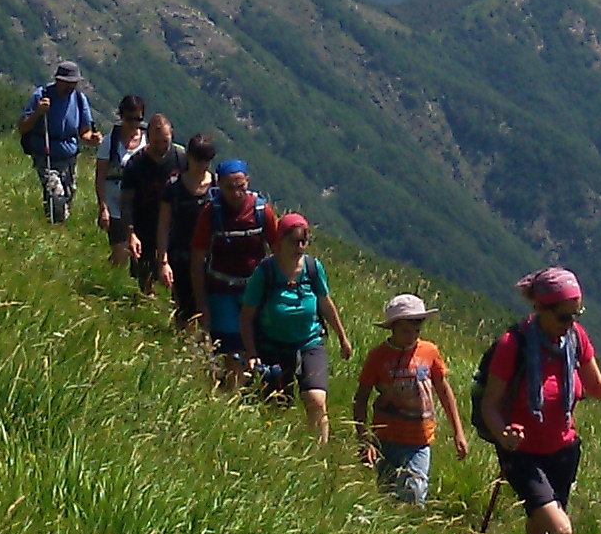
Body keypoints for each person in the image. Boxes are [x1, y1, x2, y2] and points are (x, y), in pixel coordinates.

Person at [477, 267, 601, 534]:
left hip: (563, 452)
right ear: (540, 307)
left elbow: (595, 387)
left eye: (576, 314)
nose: (570, 322)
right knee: (561, 530)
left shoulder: (575, 338)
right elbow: (490, 406)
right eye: (564, 316)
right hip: (521, 453)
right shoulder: (513, 344)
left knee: (540, 533)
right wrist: (503, 435)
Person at [241, 214, 352, 441]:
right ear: (280, 240)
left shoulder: (312, 268)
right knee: (275, 404)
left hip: (309, 342)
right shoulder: (265, 272)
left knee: (316, 399)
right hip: (272, 346)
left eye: (304, 241)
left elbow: (325, 302)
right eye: (294, 241)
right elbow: (246, 316)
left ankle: (318, 453)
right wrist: (252, 353)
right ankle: (274, 449)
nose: (300, 247)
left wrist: (343, 338)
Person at [354, 293, 468, 507]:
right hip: (385, 437)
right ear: (393, 328)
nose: (412, 336)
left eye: (417, 330)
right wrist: (364, 438)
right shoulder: (378, 357)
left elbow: (443, 388)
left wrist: (458, 432)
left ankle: (413, 522)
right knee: (387, 494)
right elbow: (361, 398)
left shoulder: (429, 351)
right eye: (406, 331)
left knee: (414, 493)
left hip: (419, 439)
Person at [192, 155, 273, 377]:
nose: (236, 193)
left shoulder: (261, 211)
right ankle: (234, 395)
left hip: (255, 291)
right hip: (221, 293)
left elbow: (279, 253)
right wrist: (202, 305)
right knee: (230, 349)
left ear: (248, 181)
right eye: (230, 188)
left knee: (256, 344)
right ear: (219, 185)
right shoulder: (211, 213)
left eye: (241, 186)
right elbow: (197, 259)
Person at [16, 61, 99, 222]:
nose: (70, 88)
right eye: (67, 83)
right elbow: (23, 127)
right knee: (56, 195)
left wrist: (92, 139)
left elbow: (84, 132)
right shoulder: (42, 95)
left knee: (67, 196)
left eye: (73, 84)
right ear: (58, 81)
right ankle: (57, 226)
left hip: (69, 158)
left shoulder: (80, 99)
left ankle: (55, 228)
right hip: (46, 154)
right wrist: (38, 113)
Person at [119, 113, 186, 298]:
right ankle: (147, 309)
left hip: (175, 230)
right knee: (146, 279)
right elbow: (126, 201)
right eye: (156, 142)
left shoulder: (181, 157)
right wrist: (130, 233)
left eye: (165, 141)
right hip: (144, 228)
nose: (162, 147)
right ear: (148, 139)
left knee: (179, 279)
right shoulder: (136, 163)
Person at [166, 134, 218, 332]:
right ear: (188, 156)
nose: (203, 165)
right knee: (184, 303)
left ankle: (206, 344)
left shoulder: (216, 187)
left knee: (208, 304)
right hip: (180, 253)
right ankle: (184, 343)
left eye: (207, 160)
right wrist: (162, 258)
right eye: (199, 159)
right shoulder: (174, 187)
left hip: (210, 256)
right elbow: (164, 223)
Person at [96, 96, 150, 270]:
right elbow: (100, 176)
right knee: (121, 250)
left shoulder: (148, 141)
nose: (134, 123)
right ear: (121, 116)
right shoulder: (109, 142)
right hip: (115, 205)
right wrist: (103, 207)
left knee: (141, 251)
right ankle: (109, 276)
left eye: (139, 119)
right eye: (130, 118)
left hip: (141, 205)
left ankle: (142, 286)